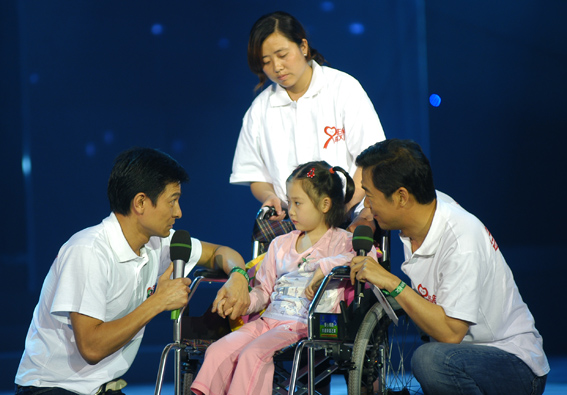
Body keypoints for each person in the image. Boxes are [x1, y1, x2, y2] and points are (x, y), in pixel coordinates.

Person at [14, 147, 250, 395]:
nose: (179, 212)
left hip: (103, 389)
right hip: (51, 388)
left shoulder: (158, 242)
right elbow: (91, 348)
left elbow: (220, 253)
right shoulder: (88, 251)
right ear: (140, 202)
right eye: (172, 201)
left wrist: (238, 277)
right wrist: (157, 302)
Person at [350, 139, 549, 395]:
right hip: (463, 357)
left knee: (428, 360)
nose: (366, 204)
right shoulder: (426, 208)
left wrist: (390, 281)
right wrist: (365, 217)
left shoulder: (461, 238)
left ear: (401, 197)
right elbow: (369, 210)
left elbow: (451, 333)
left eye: (369, 196)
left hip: (510, 361)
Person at [192, 161, 380, 395]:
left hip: (303, 325)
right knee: (218, 351)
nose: (290, 211)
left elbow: (370, 256)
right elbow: (263, 292)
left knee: (253, 354)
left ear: (324, 204)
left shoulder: (342, 241)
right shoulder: (280, 244)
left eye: (298, 203)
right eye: (289, 202)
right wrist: (242, 302)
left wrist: (325, 267)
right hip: (267, 321)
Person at [229, 11, 385, 230]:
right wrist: (269, 196)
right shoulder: (260, 110)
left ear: (303, 47)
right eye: (266, 61)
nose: (277, 67)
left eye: (282, 55)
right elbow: (254, 173)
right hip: (293, 227)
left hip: (348, 219)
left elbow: (371, 159)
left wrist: (343, 207)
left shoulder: (343, 88)